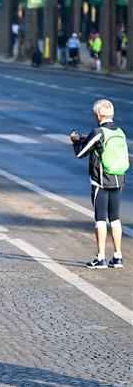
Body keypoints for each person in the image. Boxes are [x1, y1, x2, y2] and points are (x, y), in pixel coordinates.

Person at [71, 99, 126, 269]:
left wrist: (75, 140)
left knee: (100, 219)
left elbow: (81, 153)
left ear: (97, 115)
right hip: (118, 180)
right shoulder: (120, 132)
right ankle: (118, 257)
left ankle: (100, 258)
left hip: (101, 182)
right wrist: (86, 138)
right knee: (115, 219)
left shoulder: (97, 132)